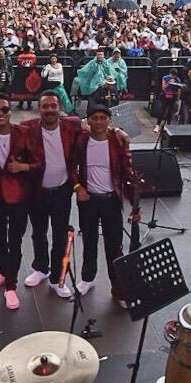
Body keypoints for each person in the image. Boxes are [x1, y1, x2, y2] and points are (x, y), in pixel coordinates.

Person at [0, 92, 43, 311]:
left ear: (10, 111)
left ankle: (11, 286)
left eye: (4, 109)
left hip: (19, 196)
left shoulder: (23, 133)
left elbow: (39, 162)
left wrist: (23, 167)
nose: (1, 113)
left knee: (14, 240)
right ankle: (3, 272)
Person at [73, 102, 140, 307]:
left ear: (109, 120)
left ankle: (119, 290)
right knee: (89, 242)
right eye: (95, 118)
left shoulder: (118, 141)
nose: (99, 122)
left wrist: (135, 206)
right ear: (88, 121)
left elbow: (128, 172)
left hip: (111, 201)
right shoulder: (81, 140)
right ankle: (87, 278)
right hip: (88, 201)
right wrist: (77, 187)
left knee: (115, 247)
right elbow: (70, 166)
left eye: (103, 118)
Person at [20, 92, 82, 298]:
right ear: (39, 109)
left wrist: (115, 130)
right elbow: (5, 129)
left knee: (60, 236)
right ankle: (41, 268)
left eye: (53, 106)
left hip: (62, 191)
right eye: (45, 106)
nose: (49, 110)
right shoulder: (28, 127)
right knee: (38, 233)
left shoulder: (72, 125)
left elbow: (95, 127)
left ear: (60, 108)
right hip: (37, 191)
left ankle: (57, 278)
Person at [155, 66, 183, 131]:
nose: (172, 77)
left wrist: (177, 99)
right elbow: (163, 87)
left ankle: (168, 126)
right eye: (171, 75)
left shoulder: (178, 80)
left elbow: (179, 90)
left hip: (173, 97)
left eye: (173, 76)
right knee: (162, 111)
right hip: (165, 96)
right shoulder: (165, 78)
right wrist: (169, 83)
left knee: (170, 112)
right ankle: (158, 125)